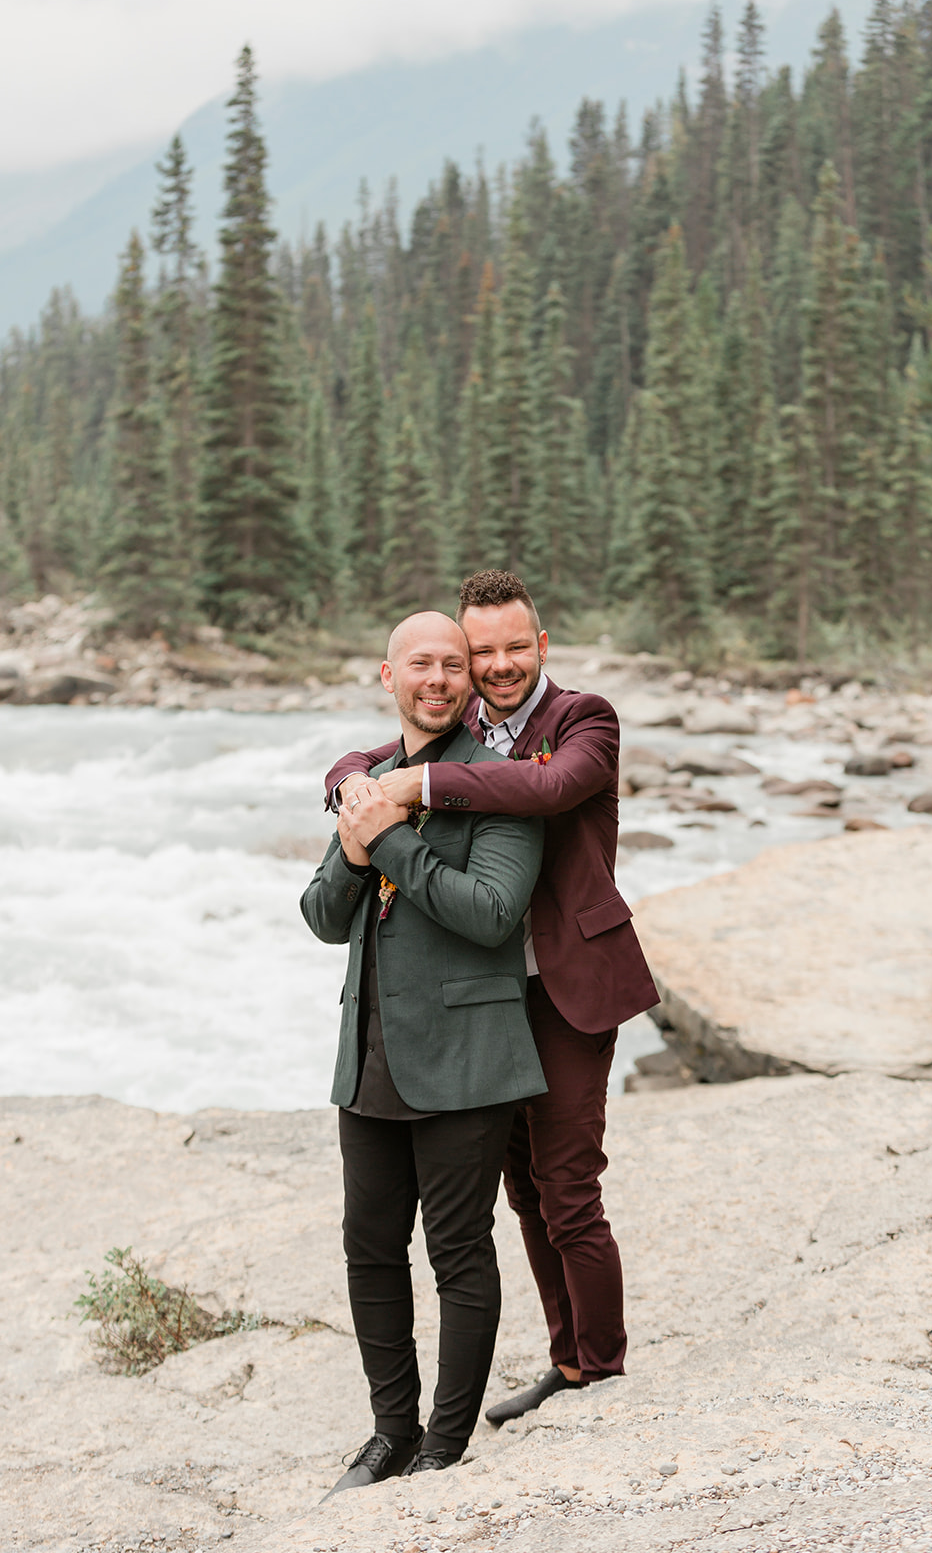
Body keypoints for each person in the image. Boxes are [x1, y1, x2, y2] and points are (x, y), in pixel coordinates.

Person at [325, 570, 659, 1426]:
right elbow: (372, 753)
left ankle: (604, 1371)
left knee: (567, 1183)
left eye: (516, 647)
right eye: (484, 653)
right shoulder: (463, 720)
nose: (500, 665)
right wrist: (353, 780)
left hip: (565, 986)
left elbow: (544, 791)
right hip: (487, 995)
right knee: (518, 1186)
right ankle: (566, 1358)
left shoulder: (584, 720)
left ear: (542, 646)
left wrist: (415, 791)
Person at [301, 610, 545, 1494]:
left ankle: (445, 1445)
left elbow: (490, 914)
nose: (438, 678)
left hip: (468, 1055)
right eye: (421, 665)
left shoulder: (501, 783)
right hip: (368, 1052)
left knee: (457, 1252)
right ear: (388, 675)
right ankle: (388, 1434)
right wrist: (356, 849)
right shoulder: (364, 780)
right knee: (368, 1248)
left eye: (453, 665)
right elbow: (323, 918)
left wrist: (391, 833)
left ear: (469, 680)